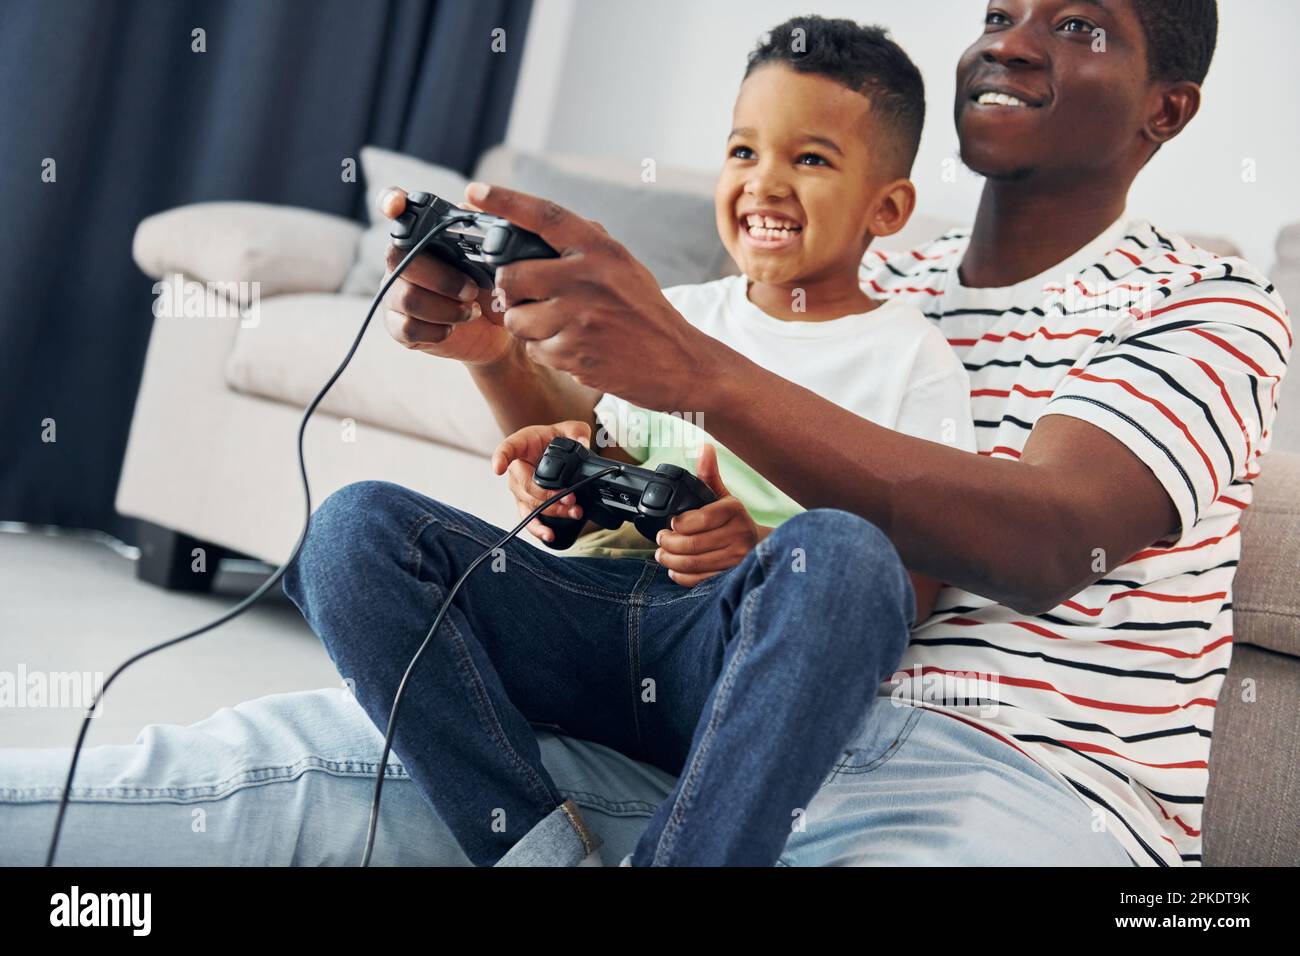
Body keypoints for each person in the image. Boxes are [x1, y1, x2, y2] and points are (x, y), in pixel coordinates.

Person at [2, 0, 1286, 868]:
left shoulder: (1211, 304)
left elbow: (1051, 535)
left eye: (1076, 23)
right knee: (208, 784)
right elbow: (627, 465)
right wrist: (502, 359)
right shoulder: (876, 269)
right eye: (1000, 12)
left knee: (833, 553)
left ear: (1165, 109)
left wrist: (699, 369)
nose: (1011, 40)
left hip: (998, 776)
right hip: (689, 703)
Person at [288, 17, 977, 868]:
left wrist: (757, 550)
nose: (765, 183)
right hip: (589, 619)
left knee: (840, 553)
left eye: (810, 159)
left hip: (728, 658)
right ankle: (539, 852)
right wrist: (552, 450)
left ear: (889, 206)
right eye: (742, 152)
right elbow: (607, 462)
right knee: (352, 529)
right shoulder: (674, 314)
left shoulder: (914, 356)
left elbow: (908, 585)